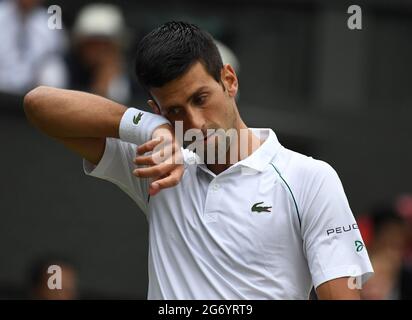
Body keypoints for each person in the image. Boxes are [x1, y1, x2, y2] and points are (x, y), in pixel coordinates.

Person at [23, 21, 373, 299]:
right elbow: (39, 105)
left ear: (229, 81)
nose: (195, 122)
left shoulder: (310, 178)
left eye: (200, 98)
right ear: (156, 111)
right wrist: (150, 129)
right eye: (174, 110)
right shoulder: (155, 161)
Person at [0, 0, 67, 94]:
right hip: (2, 85)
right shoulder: (1, 13)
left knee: (54, 70)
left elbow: (54, 57)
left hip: (32, 88)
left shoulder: (49, 21)